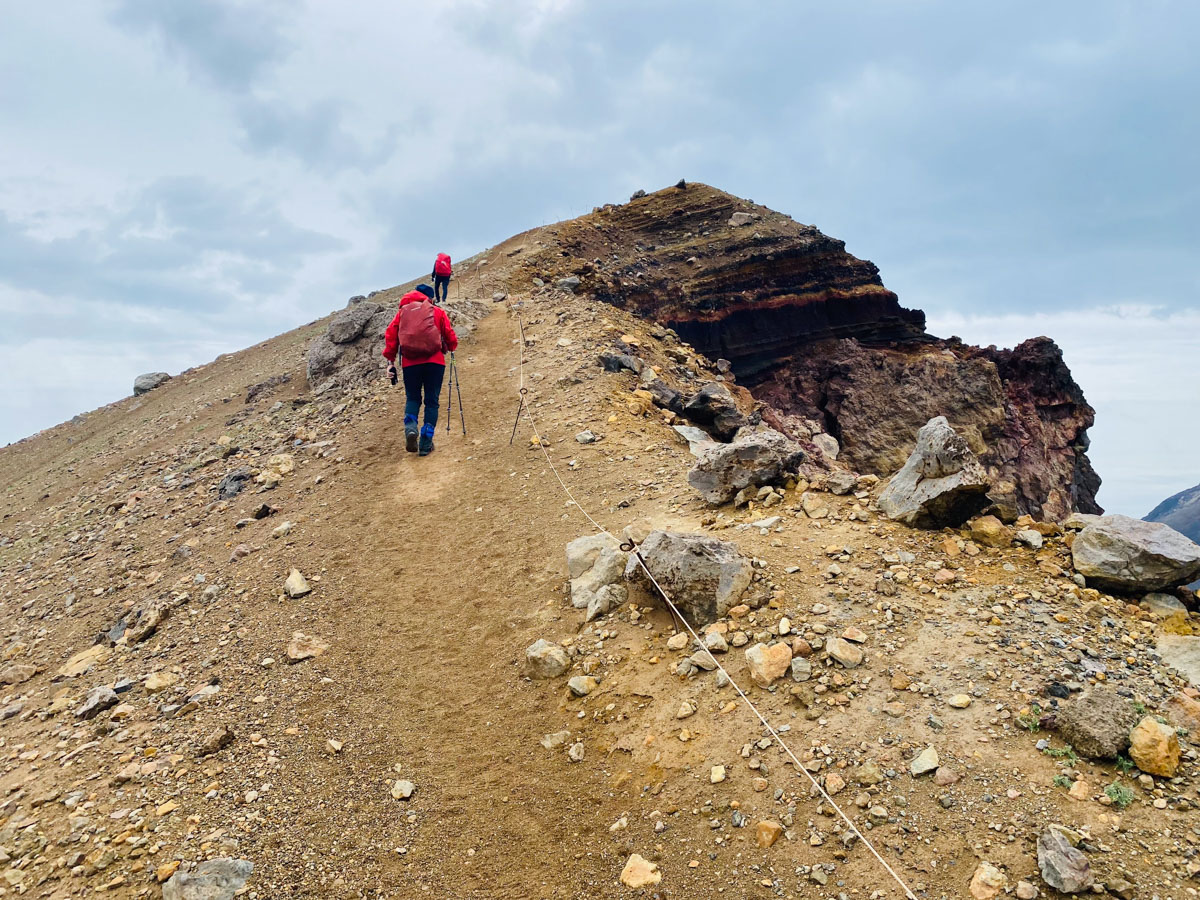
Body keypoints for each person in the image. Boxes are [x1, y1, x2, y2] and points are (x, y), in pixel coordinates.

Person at [382, 284, 459, 456]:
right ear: (428, 298)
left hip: (410, 364)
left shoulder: (402, 313)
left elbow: (391, 337)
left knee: (413, 398)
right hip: (435, 363)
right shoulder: (436, 311)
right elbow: (450, 335)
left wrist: (390, 361)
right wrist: (451, 346)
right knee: (432, 401)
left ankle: (410, 427)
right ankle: (425, 442)